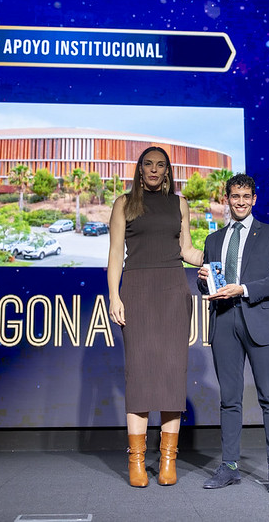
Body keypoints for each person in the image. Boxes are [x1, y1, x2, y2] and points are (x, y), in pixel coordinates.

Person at [107, 146, 203, 488]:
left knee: (171, 374)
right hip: (136, 290)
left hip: (173, 290)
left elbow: (187, 250)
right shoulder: (124, 203)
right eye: (148, 164)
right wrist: (114, 295)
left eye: (160, 165)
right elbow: (116, 252)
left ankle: (166, 461)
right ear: (140, 168)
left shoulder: (179, 203)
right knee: (140, 375)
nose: (154, 169)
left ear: (167, 171)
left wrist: (220, 252)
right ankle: (136, 461)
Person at [197, 173, 269, 494]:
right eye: (234, 196)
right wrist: (203, 279)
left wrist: (245, 288)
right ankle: (229, 466)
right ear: (226, 198)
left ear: (254, 199)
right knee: (229, 399)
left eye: (245, 197)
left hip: (261, 320)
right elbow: (211, 284)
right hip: (224, 322)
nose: (240, 202)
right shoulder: (214, 239)